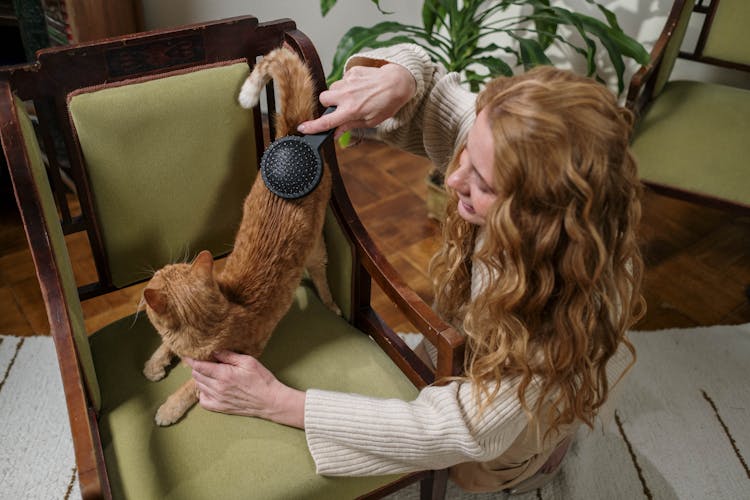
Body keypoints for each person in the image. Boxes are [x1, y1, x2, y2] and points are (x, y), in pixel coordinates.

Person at [184, 44, 645, 493]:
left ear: (538, 217)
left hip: (504, 420)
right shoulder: (503, 142)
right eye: (467, 154)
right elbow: (436, 95)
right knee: (430, 374)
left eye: (481, 182)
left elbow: (458, 428)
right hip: (479, 340)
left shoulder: (551, 332)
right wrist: (401, 76)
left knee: (473, 471)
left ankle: (537, 461)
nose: (453, 178)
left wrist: (278, 402)